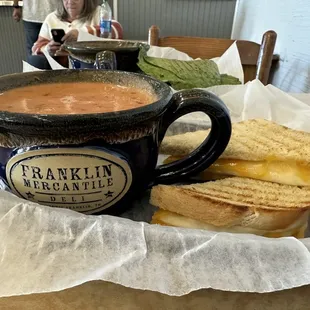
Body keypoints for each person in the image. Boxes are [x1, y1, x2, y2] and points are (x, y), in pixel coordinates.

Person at [31, 0, 123, 69]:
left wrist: (82, 34)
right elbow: (36, 48)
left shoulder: (98, 12)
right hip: (58, 69)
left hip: (90, 65)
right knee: (35, 60)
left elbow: (117, 29)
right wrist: (48, 49)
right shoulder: (52, 18)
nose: (70, 2)